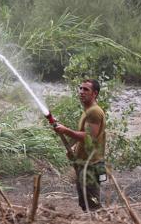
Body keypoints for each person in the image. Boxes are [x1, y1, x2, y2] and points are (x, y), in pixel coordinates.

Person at [54, 79, 106, 211]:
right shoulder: (88, 110)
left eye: (86, 89)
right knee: (85, 204)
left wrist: (66, 130)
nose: (81, 92)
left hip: (91, 166)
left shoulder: (94, 111)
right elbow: (84, 134)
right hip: (84, 164)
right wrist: (74, 147)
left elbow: (89, 137)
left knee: (93, 206)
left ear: (94, 93)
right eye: (81, 88)